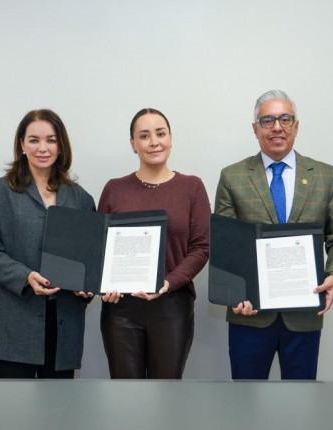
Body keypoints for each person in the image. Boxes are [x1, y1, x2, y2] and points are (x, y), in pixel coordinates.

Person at [214, 89, 333, 380]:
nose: (277, 127)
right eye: (267, 120)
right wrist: (235, 294)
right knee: (245, 399)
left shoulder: (326, 176)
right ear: (255, 129)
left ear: (296, 126)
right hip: (250, 315)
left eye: (285, 119)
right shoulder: (232, 176)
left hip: (303, 314)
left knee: (301, 399)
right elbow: (225, 245)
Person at [0, 109, 95, 378]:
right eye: (34, 140)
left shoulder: (81, 199)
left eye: (51, 140)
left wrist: (87, 286)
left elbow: (89, 258)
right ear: (21, 144)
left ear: (61, 146)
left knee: (59, 404)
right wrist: (25, 276)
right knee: (13, 405)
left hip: (63, 323)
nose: (43, 148)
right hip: (13, 323)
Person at [99, 108, 210, 379]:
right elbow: (98, 247)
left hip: (172, 304)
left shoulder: (192, 187)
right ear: (133, 144)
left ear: (170, 138)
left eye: (160, 134)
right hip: (121, 309)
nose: (154, 142)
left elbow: (201, 247)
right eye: (144, 136)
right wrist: (103, 286)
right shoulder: (114, 189)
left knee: (166, 393)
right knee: (125, 394)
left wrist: (169, 282)